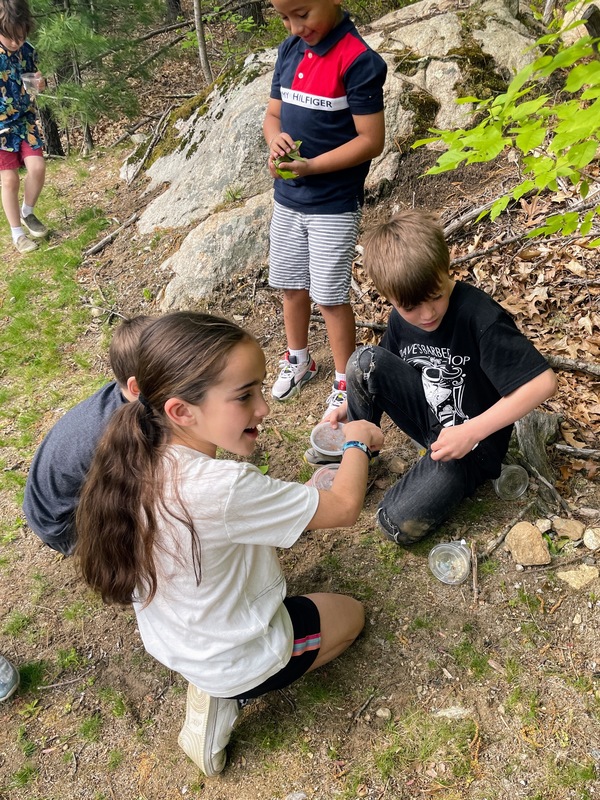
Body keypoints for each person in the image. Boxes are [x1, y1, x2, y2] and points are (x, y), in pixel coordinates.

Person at [75, 312, 384, 777]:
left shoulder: (136, 446)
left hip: (174, 636)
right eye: (245, 396)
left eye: (259, 387)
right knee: (352, 616)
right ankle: (230, 693)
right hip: (230, 655)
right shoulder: (224, 487)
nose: (263, 407)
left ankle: (216, 678)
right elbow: (342, 507)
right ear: (182, 410)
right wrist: (357, 441)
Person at [319, 209, 558, 545]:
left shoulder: (480, 318)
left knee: (395, 523)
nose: (427, 314)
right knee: (362, 362)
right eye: (410, 307)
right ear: (390, 298)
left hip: (471, 447)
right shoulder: (403, 314)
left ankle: (428, 479)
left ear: (446, 270)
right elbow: (383, 365)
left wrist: (471, 431)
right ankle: (359, 454)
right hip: (430, 418)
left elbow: (543, 383)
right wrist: (352, 403)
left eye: (436, 297)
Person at [263, 0, 387, 417]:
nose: (295, 26)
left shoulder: (358, 60)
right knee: (290, 284)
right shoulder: (289, 50)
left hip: (333, 203)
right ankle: (298, 359)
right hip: (288, 199)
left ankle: (344, 379)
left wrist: (313, 166)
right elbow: (273, 114)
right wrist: (275, 140)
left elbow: (371, 140)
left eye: (302, 13)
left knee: (330, 296)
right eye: (283, 17)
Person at [23, 315, 152, 555]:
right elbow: (136, 493)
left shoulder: (128, 399)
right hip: (63, 525)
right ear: (136, 387)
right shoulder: (122, 433)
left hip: (51, 507)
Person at [0, 0, 48, 254]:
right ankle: (17, 234)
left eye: (20, 36)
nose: (16, 42)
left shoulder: (27, 50)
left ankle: (27, 212)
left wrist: (40, 83)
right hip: (0, 129)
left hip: (25, 121)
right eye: (10, 37)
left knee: (37, 168)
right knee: (9, 181)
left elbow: (36, 76)